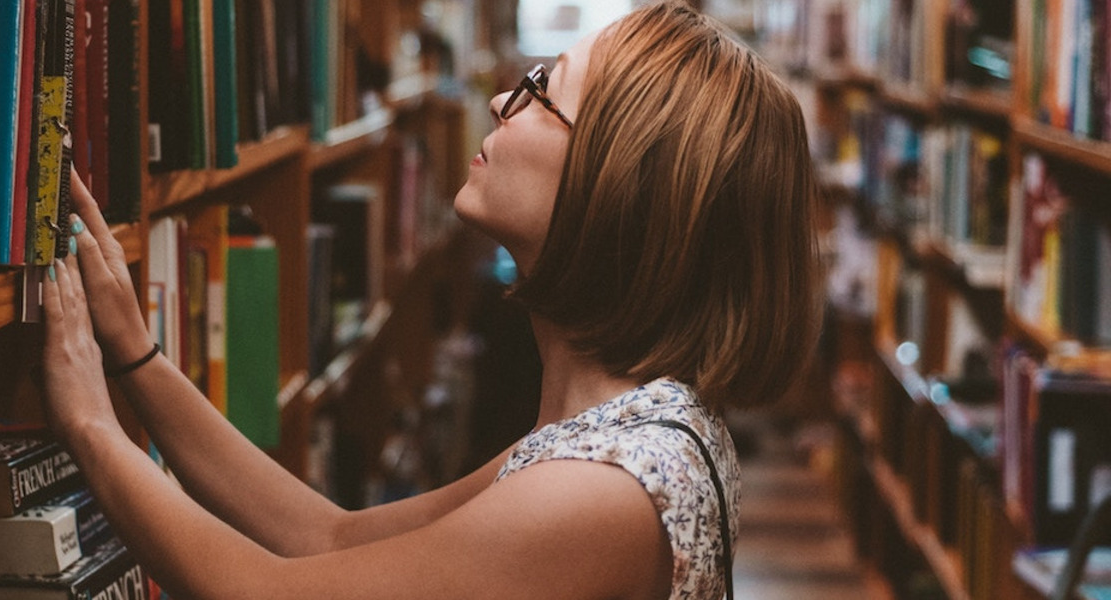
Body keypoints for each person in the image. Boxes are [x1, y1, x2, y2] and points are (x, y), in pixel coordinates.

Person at [40, 2, 821, 598]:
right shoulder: (614, 431)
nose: (500, 103)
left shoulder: (605, 488)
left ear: (617, 186)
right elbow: (325, 536)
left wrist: (88, 424)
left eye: (540, 90)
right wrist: (137, 359)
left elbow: (263, 592)